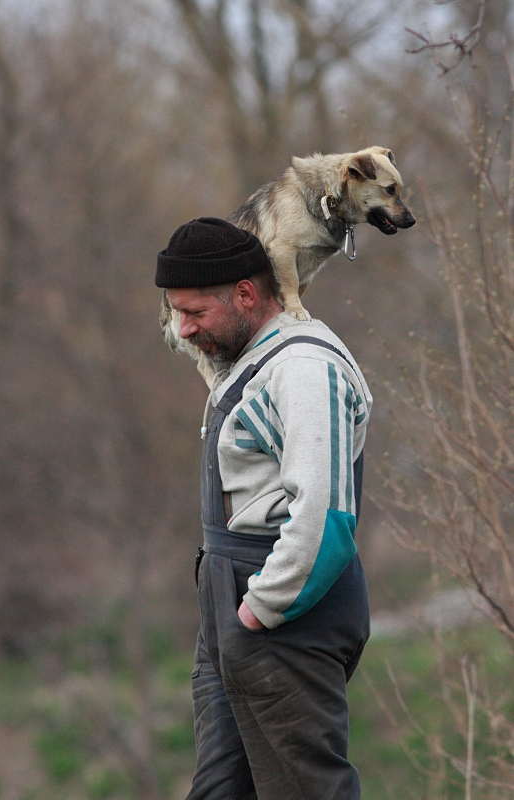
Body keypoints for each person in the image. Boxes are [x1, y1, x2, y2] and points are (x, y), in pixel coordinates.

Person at [155, 217, 372, 800]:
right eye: (177, 311)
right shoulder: (256, 358)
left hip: (282, 619)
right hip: (238, 618)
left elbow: (324, 517)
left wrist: (257, 612)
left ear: (246, 293)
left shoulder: (303, 369)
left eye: (195, 312)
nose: (183, 328)